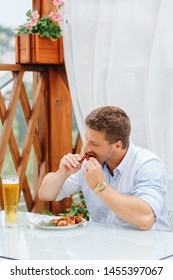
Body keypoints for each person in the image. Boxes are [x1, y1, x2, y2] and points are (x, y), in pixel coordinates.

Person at [38, 106, 170, 231]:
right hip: (104, 248)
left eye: (94, 144)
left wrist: (99, 186)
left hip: (150, 250)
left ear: (118, 145)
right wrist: (62, 174)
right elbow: (45, 194)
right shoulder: (90, 163)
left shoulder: (148, 165)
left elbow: (145, 219)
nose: (86, 148)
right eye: (87, 140)